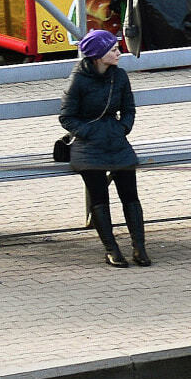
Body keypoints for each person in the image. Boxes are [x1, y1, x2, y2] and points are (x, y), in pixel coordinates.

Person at [59, 30, 150, 267]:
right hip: (88, 146)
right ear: (99, 55)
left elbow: (129, 108)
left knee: (130, 194)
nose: (119, 53)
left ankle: (139, 248)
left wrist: (123, 128)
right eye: (113, 50)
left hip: (116, 140)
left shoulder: (119, 76)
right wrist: (91, 133)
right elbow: (67, 117)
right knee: (100, 196)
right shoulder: (78, 79)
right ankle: (112, 249)